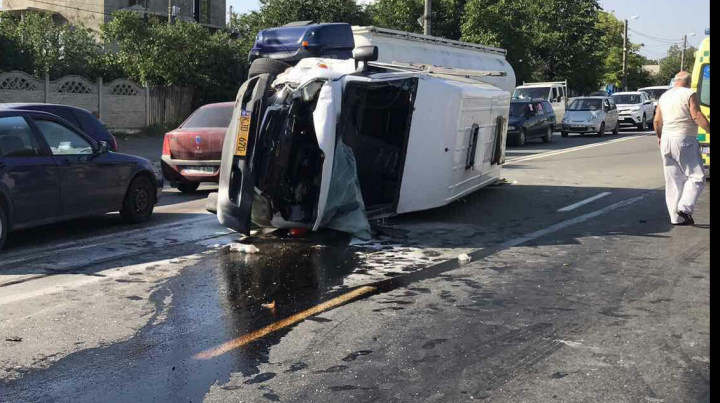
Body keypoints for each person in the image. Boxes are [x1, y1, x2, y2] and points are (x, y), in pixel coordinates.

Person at [653, 71, 711, 226]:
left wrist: (659, 137)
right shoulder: (689, 93)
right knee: (697, 176)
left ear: (675, 81)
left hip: (666, 140)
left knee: (673, 180)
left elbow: (657, 121)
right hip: (684, 139)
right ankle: (684, 207)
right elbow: (697, 115)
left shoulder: (664, 96)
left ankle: (676, 217)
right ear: (689, 81)